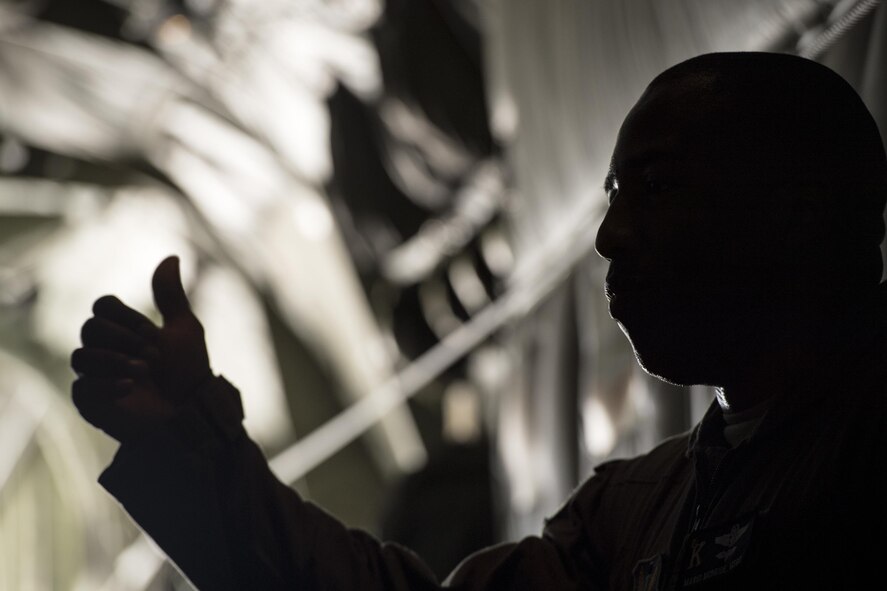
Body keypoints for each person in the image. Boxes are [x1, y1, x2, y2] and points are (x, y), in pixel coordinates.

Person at [71, 51, 887, 590]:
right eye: (610, 197)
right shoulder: (640, 506)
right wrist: (186, 437)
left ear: (801, 210)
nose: (609, 235)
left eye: (660, 187)